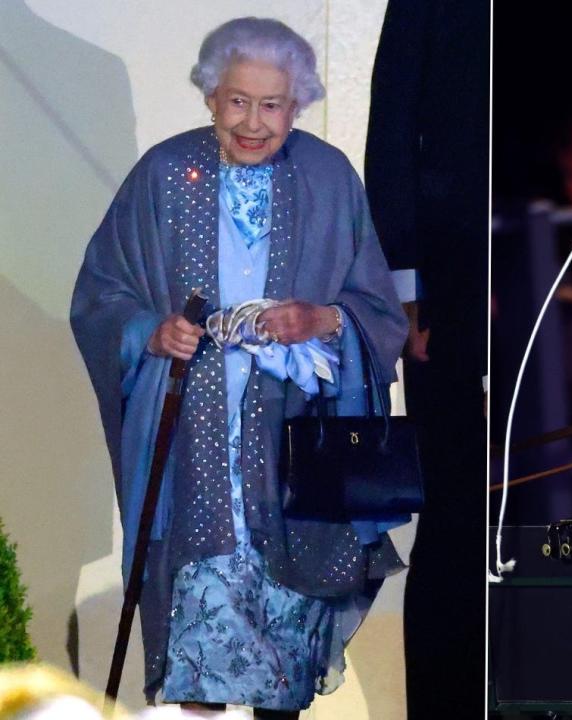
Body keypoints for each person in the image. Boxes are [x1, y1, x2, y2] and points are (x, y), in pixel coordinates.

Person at [71, 17, 408, 718]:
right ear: (209, 98)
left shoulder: (327, 176)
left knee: (283, 660)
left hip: (294, 456)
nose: (253, 122)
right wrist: (151, 332)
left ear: (297, 104)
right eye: (237, 102)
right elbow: (101, 295)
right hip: (198, 453)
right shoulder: (163, 174)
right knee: (201, 650)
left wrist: (323, 319)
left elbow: (378, 306)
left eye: (272, 105)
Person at [363, 1, 488, 716]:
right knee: (452, 510)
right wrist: (405, 287)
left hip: (536, 276)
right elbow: (392, 127)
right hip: (445, 295)